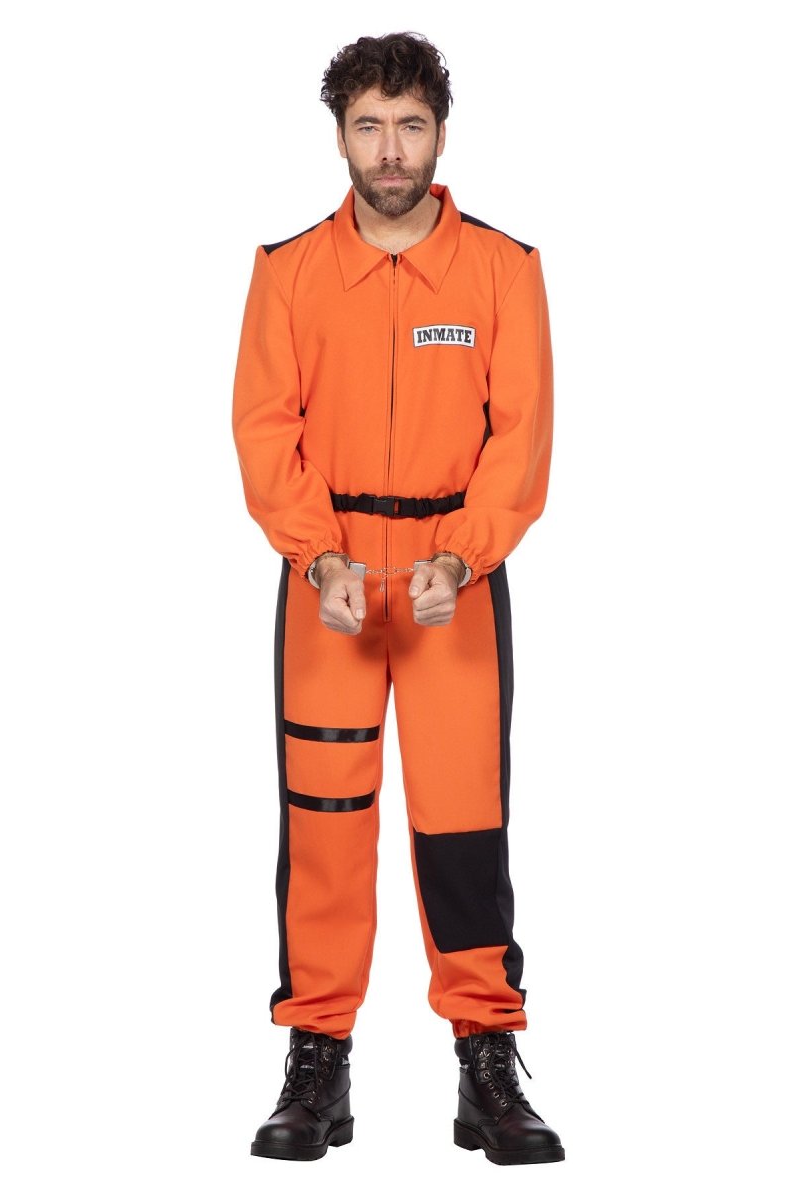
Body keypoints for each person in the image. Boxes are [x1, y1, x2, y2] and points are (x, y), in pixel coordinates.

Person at [231, 31, 564, 1166]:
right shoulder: (287, 272)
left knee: (463, 823)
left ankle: (485, 1058)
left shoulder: (502, 270)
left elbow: (520, 440)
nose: (389, 149)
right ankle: (316, 1058)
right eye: (368, 126)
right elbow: (264, 430)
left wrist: (461, 557)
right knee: (322, 825)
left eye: (409, 125)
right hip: (325, 590)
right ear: (339, 136)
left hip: (449, 589)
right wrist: (317, 557)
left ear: (440, 135)